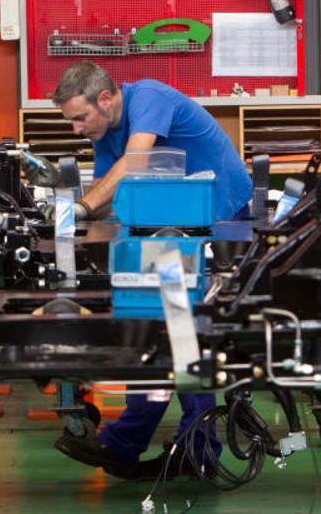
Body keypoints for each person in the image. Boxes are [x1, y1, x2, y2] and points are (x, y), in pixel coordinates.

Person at [50, 61, 252, 479]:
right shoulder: (106, 131)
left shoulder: (149, 97)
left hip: (217, 219)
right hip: (169, 227)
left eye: (79, 117)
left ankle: (199, 450)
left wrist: (81, 208)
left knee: (185, 332)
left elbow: (136, 161)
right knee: (152, 329)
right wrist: (63, 222)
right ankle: (126, 445)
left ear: (105, 98)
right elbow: (111, 194)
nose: (76, 129)